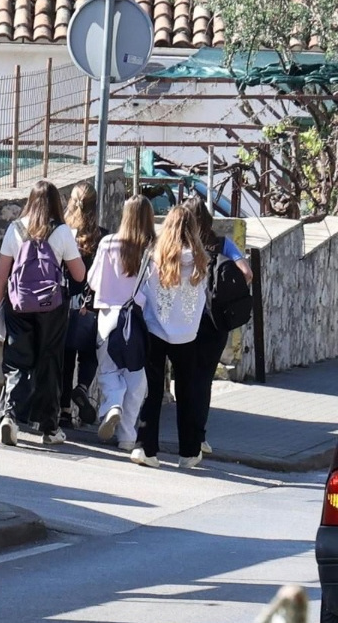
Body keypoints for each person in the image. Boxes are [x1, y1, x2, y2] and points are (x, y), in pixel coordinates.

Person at [0, 181, 86, 447]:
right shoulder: (61, 232)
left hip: (18, 304)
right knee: (49, 362)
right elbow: (79, 274)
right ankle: (49, 428)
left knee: (16, 361)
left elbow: (2, 275)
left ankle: (10, 416)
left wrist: (1, 305)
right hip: (52, 307)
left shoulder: (15, 229)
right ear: (56, 202)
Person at [133, 205, 208, 470]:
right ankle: (188, 452)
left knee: (151, 391)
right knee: (186, 393)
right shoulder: (200, 260)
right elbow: (200, 299)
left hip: (155, 330)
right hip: (188, 334)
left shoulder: (155, 257)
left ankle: (146, 448)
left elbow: (141, 292)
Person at [183, 197, 254, 456]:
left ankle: (185, 433)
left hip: (184, 320)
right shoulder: (222, 243)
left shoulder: (181, 244)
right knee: (204, 380)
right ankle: (198, 435)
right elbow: (247, 273)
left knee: (185, 378)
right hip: (214, 321)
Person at [87, 195, 157, 452]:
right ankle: (127, 437)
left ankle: (112, 404)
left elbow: (93, 281)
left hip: (107, 318)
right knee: (136, 380)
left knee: (108, 371)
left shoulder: (107, 243)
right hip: (136, 321)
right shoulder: (152, 248)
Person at [60, 183, 106, 428]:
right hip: (90, 304)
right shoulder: (102, 236)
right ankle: (83, 387)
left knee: (66, 358)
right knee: (89, 354)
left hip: (66, 301)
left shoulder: (62, 232)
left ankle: (65, 411)